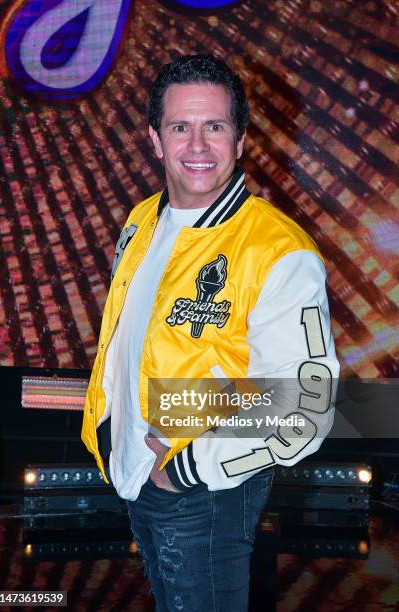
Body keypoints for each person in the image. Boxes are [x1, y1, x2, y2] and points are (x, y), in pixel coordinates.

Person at [82, 55, 339, 611]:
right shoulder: (141, 219)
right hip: (136, 475)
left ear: (241, 139)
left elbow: (304, 407)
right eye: (181, 127)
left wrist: (182, 468)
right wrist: (115, 437)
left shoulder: (279, 252)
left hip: (206, 491)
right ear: (155, 139)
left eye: (215, 127)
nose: (197, 146)